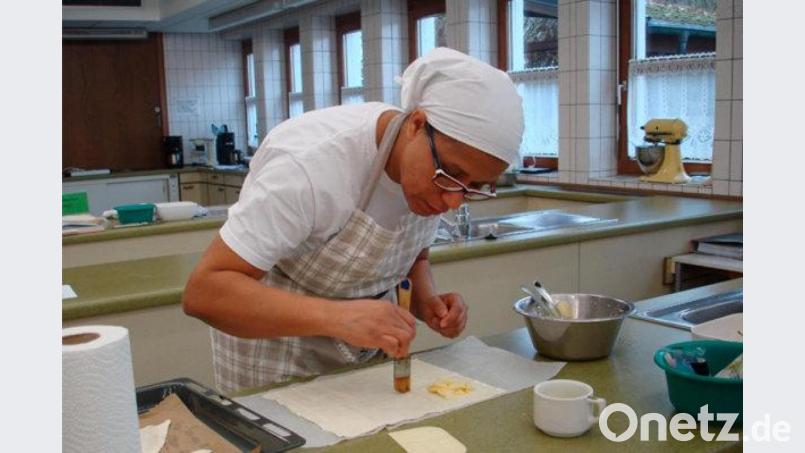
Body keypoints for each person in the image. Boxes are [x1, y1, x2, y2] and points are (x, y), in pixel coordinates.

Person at [183, 47, 525, 394]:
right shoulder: (309, 166)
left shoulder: (431, 175)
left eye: (474, 188)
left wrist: (427, 302)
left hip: (361, 356)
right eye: (450, 173)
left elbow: (413, 256)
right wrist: (338, 318)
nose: (453, 201)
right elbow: (205, 292)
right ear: (416, 124)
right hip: (275, 354)